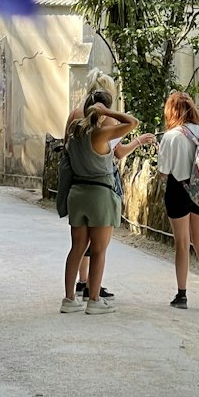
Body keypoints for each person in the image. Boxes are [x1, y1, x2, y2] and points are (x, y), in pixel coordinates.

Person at [58, 89, 138, 315]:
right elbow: (133, 122)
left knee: (77, 248)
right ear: (101, 110)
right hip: (99, 195)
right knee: (99, 251)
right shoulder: (102, 133)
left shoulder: (75, 130)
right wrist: (108, 111)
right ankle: (93, 299)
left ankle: (69, 299)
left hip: (77, 194)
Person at [155, 91, 199, 312]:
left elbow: (163, 172)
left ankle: (182, 295)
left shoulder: (170, 136)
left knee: (182, 244)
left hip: (178, 189)